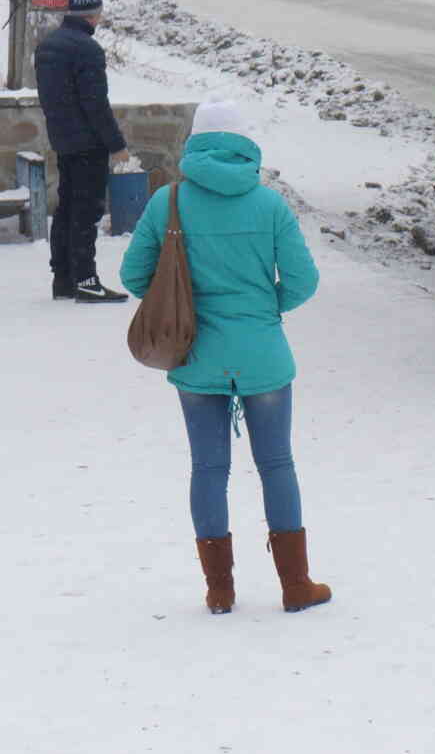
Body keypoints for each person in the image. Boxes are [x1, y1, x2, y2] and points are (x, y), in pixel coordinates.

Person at [119, 99, 329, 615]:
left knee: (209, 469)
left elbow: (130, 277)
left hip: (195, 357)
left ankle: (219, 590)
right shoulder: (271, 206)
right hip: (264, 359)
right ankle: (296, 585)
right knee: (277, 464)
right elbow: (304, 281)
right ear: (245, 144)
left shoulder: (168, 202)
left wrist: (178, 298)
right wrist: (265, 310)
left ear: (195, 144)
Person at [34, 0, 130, 302]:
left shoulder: (48, 45)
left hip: (63, 139)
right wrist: (116, 144)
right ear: (92, 15)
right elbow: (95, 104)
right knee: (85, 212)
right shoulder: (87, 49)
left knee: (66, 210)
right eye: (99, 13)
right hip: (88, 143)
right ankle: (86, 280)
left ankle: (63, 279)